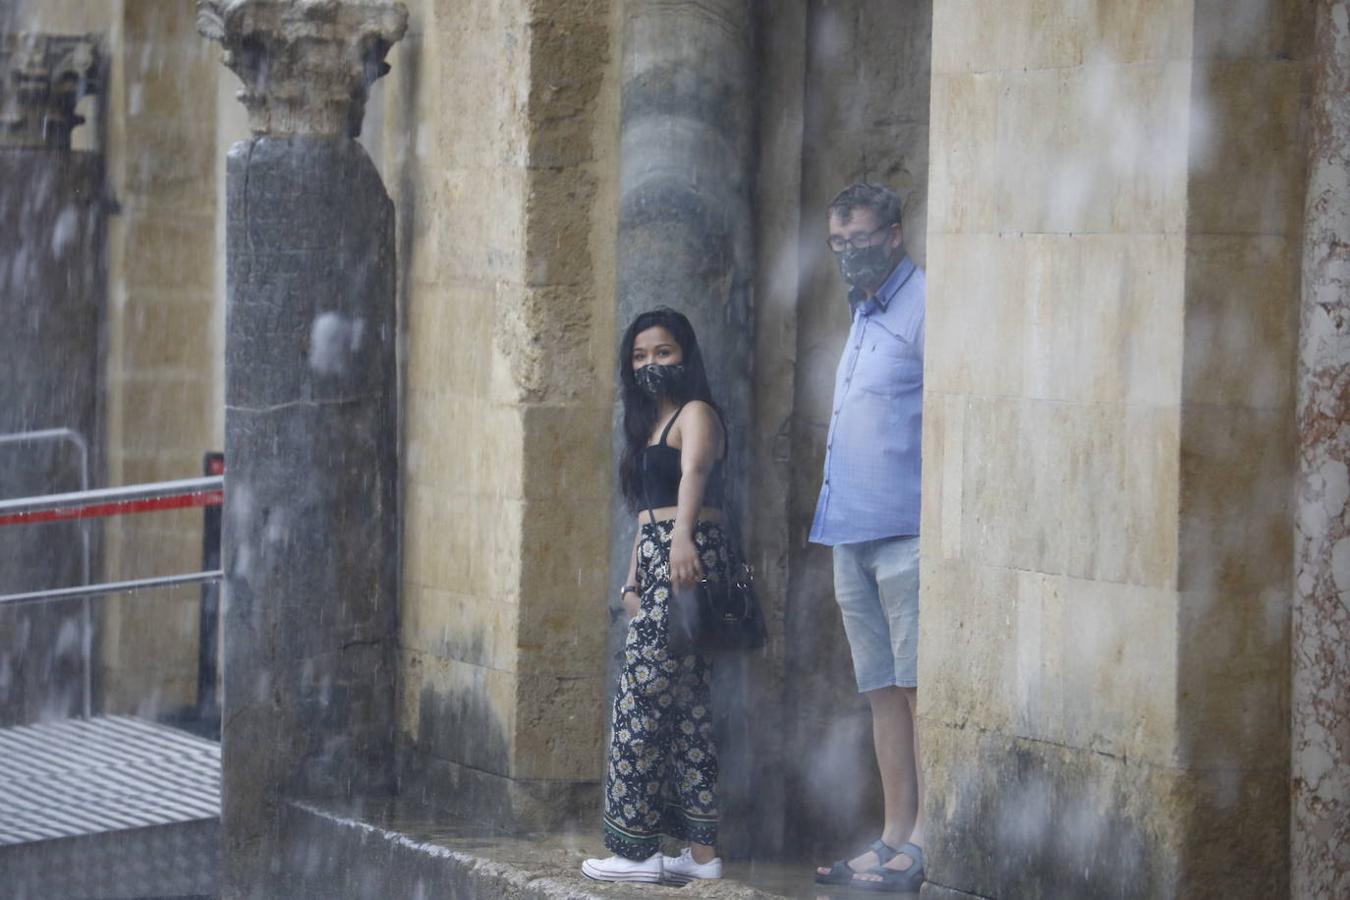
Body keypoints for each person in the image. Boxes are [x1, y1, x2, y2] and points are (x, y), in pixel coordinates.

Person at [581, 308, 730, 886]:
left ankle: (635, 852)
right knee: (688, 709)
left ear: (684, 355)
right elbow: (645, 513)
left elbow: (692, 473)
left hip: (688, 555)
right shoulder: (646, 425)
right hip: (659, 555)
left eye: (662, 352)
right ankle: (701, 856)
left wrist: (684, 538)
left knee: (636, 704)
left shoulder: (697, 413)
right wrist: (630, 580)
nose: (651, 364)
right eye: (640, 356)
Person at [811, 183, 927, 893]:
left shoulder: (926, 305)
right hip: (848, 530)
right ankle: (892, 834)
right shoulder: (861, 311)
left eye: (859, 238)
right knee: (881, 690)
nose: (848, 253)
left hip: (907, 532)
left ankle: (926, 836)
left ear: (894, 233)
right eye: (836, 243)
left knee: (918, 690)